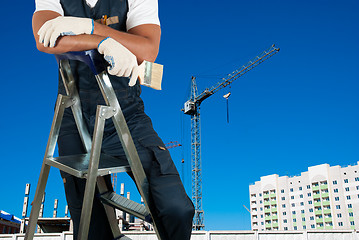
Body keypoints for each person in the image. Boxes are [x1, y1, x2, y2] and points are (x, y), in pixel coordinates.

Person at [32, 0, 195, 239]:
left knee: (176, 209)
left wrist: (89, 27)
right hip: (74, 119)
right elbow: (45, 38)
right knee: (92, 226)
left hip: (126, 115)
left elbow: (148, 49)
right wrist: (103, 43)